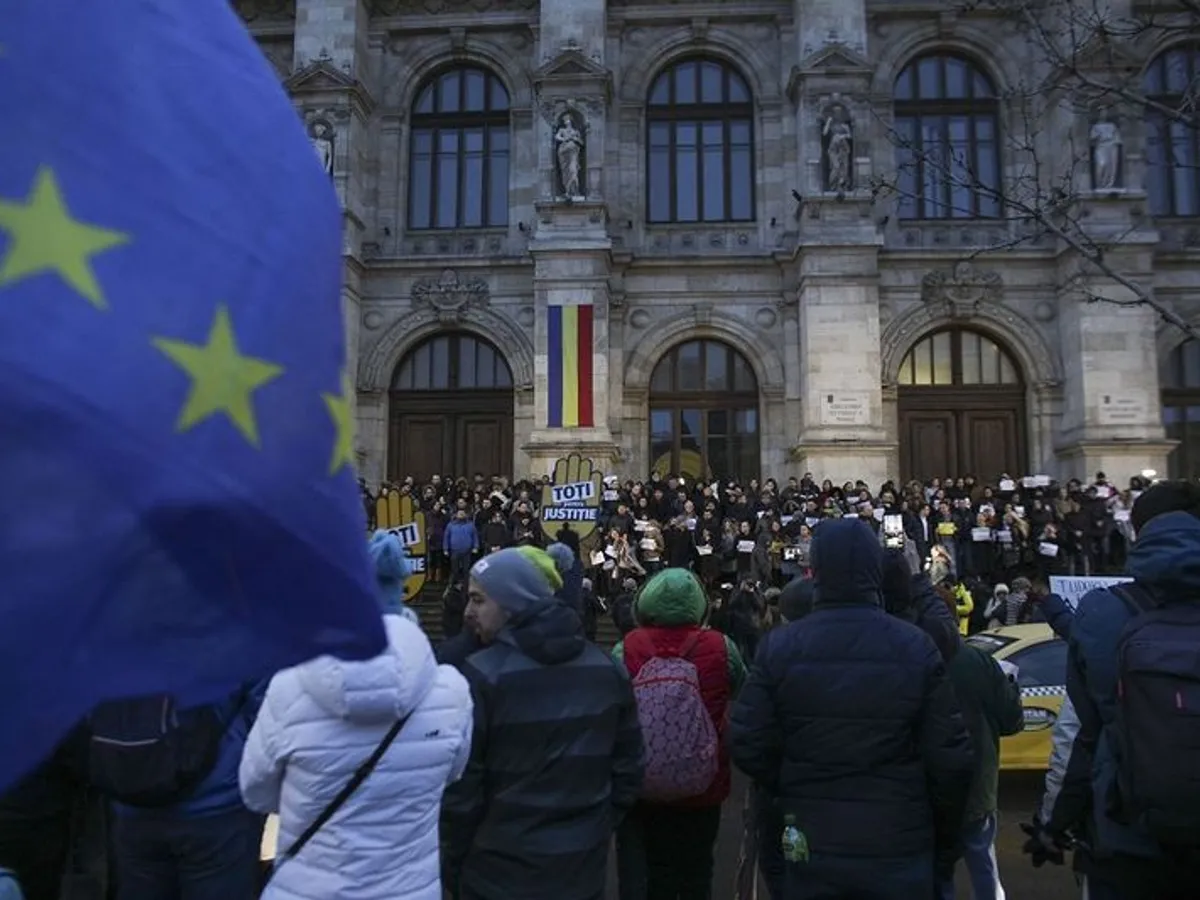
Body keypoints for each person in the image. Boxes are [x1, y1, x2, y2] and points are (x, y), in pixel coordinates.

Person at [730, 518, 974, 899]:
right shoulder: (916, 647)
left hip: (813, 840)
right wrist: (942, 848)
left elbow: (747, 739)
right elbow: (951, 760)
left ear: (817, 571)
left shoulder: (781, 647)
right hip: (898, 842)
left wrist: (790, 780)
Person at [441, 547, 644, 900]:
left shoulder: (482, 676)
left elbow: (462, 791)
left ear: (512, 601)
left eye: (478, 599)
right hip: (580, 867)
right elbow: (629, 768)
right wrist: (594, 827)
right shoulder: (607, 669)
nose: (468, 612)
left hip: (495, 872)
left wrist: (457, 862)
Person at [240, 603, 472, 899]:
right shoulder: (451, 693)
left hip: (307, 888)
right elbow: (452, 773)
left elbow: (256, 792)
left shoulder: (288, 689)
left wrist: (306, 797)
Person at [1042, 481, 1200, 898]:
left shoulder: (1102, 612)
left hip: (1128, 839)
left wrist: (1055, 824)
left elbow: (1081, 737)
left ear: (1138, 532)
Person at [612, 568, 746, 900]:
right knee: (697, 869)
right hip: (703, 780)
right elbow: (742, 687)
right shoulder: (721, 646)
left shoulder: (627, 647)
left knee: (645, 871)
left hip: (641, 778)